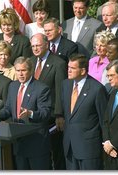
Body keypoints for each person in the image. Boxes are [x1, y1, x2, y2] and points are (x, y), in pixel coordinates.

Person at [0, 56, 51, 170]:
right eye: (18, 71)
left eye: (23, 70)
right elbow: (9, 108)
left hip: (36, 144)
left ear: (30, 71)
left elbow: (45, 113)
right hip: (18, 142)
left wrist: (30, 113)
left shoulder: (41, 88)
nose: (20, 74)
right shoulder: (13, 86)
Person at [60, 54, 108, 170]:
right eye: (68, 67)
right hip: (70, 146)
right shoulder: (65, 85)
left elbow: (104, 119)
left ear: (82, 71)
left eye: (73, 68)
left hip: (89, 149)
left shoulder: (97, 89)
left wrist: (107, 142)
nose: (69, 70)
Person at [30, 33, 66, 170]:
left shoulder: (58, 63)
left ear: (47, 44)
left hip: (51, 117)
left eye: (38, 45)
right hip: (34, 115)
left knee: (55, 152)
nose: (35, 48)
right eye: (33, 46)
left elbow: (60, 90)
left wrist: (59, 115)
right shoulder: (30, 61)